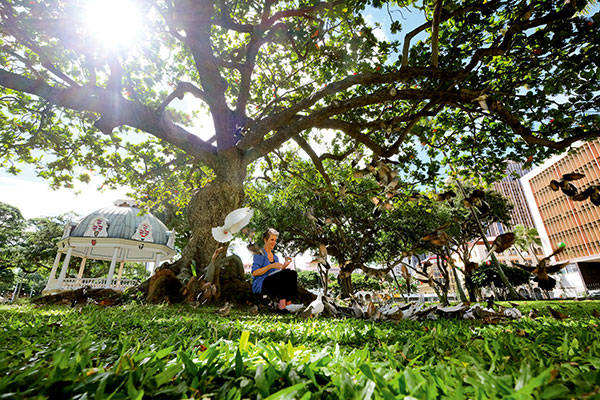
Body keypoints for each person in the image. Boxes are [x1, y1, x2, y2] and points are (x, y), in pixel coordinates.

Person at [251, 228, 298, 310]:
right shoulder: (259, 254)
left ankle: (289, 304)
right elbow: (254, 273)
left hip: (272, 283)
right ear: (265, 240)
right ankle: (282, 306)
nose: (274, 242)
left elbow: (277, 274)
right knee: (285, 274)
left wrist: (284, 266)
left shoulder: (275, 257)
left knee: (292, 273)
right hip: (262, 283)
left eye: (275, 240)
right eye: (272, 240)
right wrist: (270, 266)